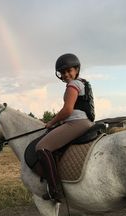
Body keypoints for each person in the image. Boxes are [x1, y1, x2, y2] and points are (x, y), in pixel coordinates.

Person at [35, 53, 95, 202]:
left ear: (76, 70)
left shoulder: (73, 85)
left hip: (77, 123)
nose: (66, 75)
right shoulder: (84, 83)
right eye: (63, 72)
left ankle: (55, 190)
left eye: (69, 71)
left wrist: (51, 123)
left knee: (42, 147)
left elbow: (67, 110)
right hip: (85, 121)